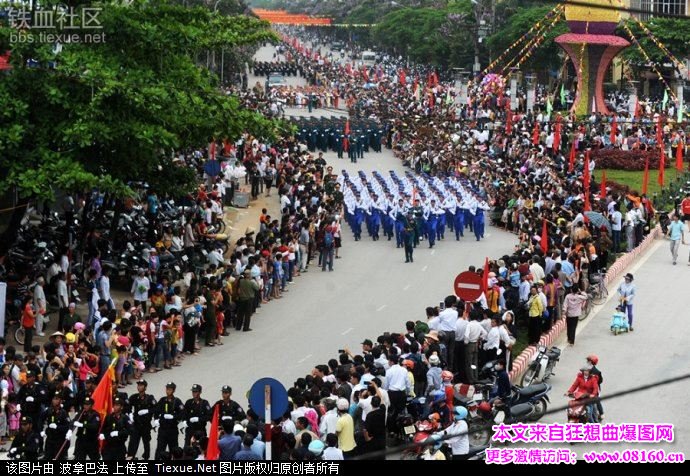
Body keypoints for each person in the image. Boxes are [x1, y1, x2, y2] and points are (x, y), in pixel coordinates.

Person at [153, 382, 185, 459]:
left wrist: (173, 417)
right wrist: (156, 420)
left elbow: (182, 413)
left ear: (173, 390)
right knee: (160, 450)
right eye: (167, 389)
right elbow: (156, 411)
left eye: (170, 389)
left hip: (172, 430)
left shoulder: (177, 401)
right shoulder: (162, 400)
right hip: (163, 430)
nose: (168, 391)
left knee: (174, 451)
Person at [128, 379, 156, 460]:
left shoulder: (150, 398)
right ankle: (131, 457)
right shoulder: (134, 397)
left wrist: (147, 411)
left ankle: (146, 457)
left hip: (145, 424)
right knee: (133, 442)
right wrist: (130, 414)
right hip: (136, 424)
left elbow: (156, 408)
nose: (139, 387)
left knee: (146, 442)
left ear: (145, 387)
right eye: (138, 385)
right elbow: (127, 406)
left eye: (141, 385)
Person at [586, 355, 605, 420]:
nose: (587, 362)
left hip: (594, 389)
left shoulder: (597, 372)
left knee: (597, 400)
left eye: (588, 361)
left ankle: (601, 413)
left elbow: (600, 381)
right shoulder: (584, 369)